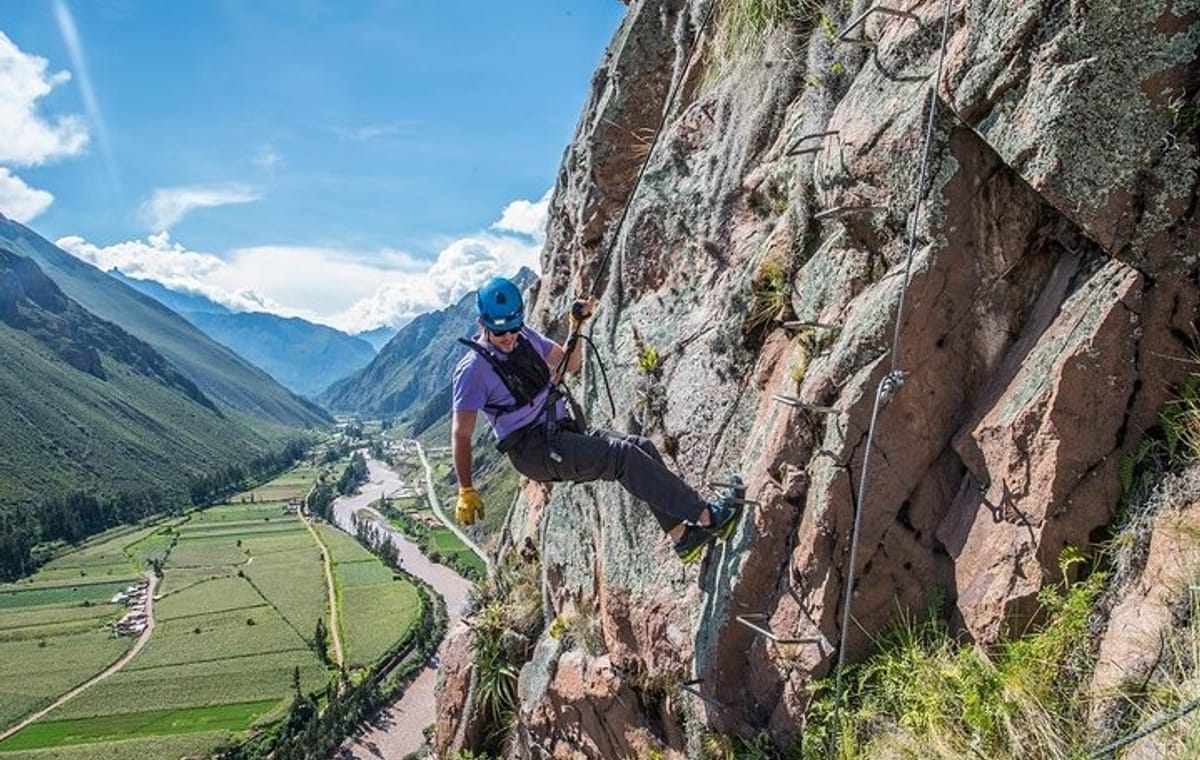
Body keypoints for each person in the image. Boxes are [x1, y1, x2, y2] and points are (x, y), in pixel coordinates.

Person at [450, 275, 743, 564]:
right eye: (500, 332)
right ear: (482, 324)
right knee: (623, 458)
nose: (509, 337)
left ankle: (684, 539)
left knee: (641, 447)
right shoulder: (472, 370)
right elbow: (461, 434)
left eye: (513, 328)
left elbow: (571, 364)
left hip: (558, 430)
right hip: (532, 450)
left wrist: (576, 325)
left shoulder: (525, 337)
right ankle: (708, 516)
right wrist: (466, 488)